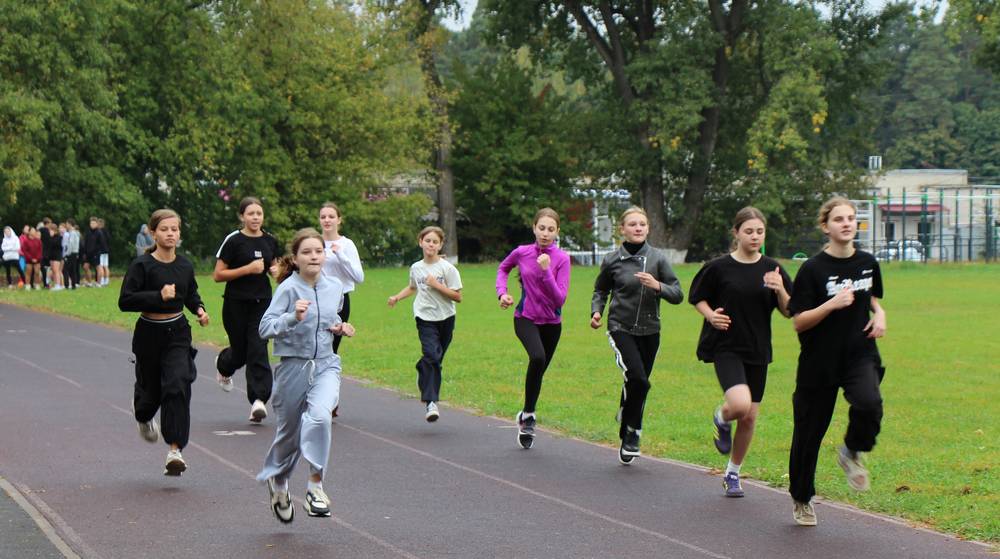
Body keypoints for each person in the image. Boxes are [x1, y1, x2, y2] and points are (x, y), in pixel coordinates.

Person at [787, 197, 887, 527]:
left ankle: (851, 451)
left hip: (859, 353)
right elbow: (799, 321)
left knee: (869, 403)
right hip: (819, 361)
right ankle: (802, 498)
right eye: (839, 219)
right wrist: (831, 304)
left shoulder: (868, 262)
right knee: (808, 434)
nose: (846, 224)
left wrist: (880, 313)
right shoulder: (813, 269)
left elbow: (870, 296)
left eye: (851, 218)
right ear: (825, 226)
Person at [688, 207, 792, 497]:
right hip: (726, 346)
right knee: (740, 404)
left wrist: (781, 289)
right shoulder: (719, 267)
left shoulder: (773, 269)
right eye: (749, 231)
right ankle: (721, 417)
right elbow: (697, 297)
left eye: (760, 231)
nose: (755, 236)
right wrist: (710, 316)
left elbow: (789, 311)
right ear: (736, 233)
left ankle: (732, 473)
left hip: (758, 349)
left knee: (748, 418)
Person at [257, 228, 354, 523]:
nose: (314, 256)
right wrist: (291, 317)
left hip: (326, 364)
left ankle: (315, 486)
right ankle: (279, 481)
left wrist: (339, 327)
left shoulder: (335, 287)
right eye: (307, 252)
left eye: (318, 251)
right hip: (292, 368)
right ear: (296, 259)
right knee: (289, 436)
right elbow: (265, 328)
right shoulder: (287, 289)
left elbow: (329, 319)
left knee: (321, 417)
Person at [118, 209, 210, 476]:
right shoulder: (142, 266)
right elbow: (126, 301)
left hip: (178, 332)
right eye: (165, 229)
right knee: (150, 395)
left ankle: (174, 449)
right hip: (149, 334)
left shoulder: (184, 265)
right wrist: (158, 295)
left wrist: (200, 309)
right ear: (153, 232)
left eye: (175, 229)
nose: (171, 234)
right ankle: (144, 416)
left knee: (178, 382)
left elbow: (190, 292)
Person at [590, 206, 683, 465]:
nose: (638, 228)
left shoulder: (658, 259)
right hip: (620, 327)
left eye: (642, 224)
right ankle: (633, 433)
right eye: (632, 224)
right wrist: (596, 312)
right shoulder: (612, 260)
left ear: (648, 228)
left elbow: (677, 294)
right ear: (622, 229)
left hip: (651, 330)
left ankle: (625, 418)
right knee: (640, 380)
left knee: (636, 383)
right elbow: (600, 291)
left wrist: (658, 286)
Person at [495, 208, 571, 449]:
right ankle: (529, 417)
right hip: (525, 317)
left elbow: (559, 299)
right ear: (534, 228)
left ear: (557, 231)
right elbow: (503, 268)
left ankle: (526, 413)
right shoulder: (522, 252)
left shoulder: (562, 259)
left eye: (551, 229)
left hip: (552, 323)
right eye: (542, 228)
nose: (546, 234)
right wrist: (503, 292)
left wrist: (547, 270)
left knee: (538, 370)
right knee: (537, 357)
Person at [213, 196, 282, 423]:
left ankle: (258, 400)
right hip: (235, 303)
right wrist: (248, 269)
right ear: (242, 216)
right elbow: (218, 275)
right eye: (250, 214)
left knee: (258, 347)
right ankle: (224, 364)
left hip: (262, 302)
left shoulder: (270, 241)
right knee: (240, 352)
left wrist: (277, 272)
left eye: (259, 214)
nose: (255, 217)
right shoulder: (234, 241)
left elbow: (277, 269)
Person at [387, 226, 462, 422]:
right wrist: (397, 297)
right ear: (420, 242)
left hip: (446, 318)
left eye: (435, 242)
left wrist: (437, 285)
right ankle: (431, 402)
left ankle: (422, 367)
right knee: (432, 356)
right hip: (424, 317)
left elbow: (457, 296)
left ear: (440, 245)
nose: (431, 244)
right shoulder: (416, 267)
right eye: (427, 240)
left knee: (434, 359)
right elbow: (413, 287)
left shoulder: (447, 269)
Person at [319, 202, 363, 418]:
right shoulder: (314, 243)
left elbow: (359, 277)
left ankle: (330, 399)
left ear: (339, 219)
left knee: (330, 350)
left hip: (340, 301)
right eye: (323, 217)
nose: (327, 220)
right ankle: (320, 397)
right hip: (316, 301)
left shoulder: (347, 244)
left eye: (331, 216)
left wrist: (340, 256)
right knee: (315, 349)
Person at [62, 221, 81, 290]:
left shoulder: (72, 233)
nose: (66, 226)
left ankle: (66, 284)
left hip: (71, 253)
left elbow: (71, 244)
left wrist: (67, 254)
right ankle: (73, 285)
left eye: (67, 224)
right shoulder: (76, 233)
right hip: (75, 253)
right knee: (72, 270)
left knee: (65, 269)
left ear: (70, 225)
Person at [83, 217, 100, 287]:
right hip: (88, 253)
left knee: (98, 268)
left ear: (96, 224)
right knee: (85, 267)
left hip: (95, 253)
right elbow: (86, 243)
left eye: (93, 223)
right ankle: (89, 282)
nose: (92, 224)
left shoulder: (99, 233)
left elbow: (101, 244)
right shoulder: (88, 232)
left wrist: (97, 252)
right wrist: (85, 252)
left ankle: (98, 283)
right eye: (91, 223)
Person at [47, 223, 64, 291]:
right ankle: (55, 284)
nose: (49, 232)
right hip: (51, 255)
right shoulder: (50, 237)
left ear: (54, 230)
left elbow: (56, 245)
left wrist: (51, 237)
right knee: (53, 270)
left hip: (57, 255)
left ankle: (58, 285)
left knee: (56, 270)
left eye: (50, 230)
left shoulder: (59, 237)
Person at [96, 217, 110, 287]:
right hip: (106, 250)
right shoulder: (106, 231)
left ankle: (101, 280)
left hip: (101, 251)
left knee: (100, 266)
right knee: (106, 266)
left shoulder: (99, 232)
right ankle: (106, 280)